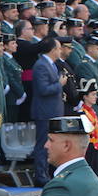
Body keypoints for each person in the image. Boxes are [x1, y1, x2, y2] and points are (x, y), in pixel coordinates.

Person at [30, 36, 64, 185]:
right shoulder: (41, 65)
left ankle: (48, 173)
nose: (60, 51)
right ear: (52, 50)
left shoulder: (52, 64)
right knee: (43, 144)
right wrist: (60, 84)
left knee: (52, 144)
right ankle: (40, 175)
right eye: (58, 48)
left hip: (53, 111)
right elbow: (43, 89)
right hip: (45, 112)